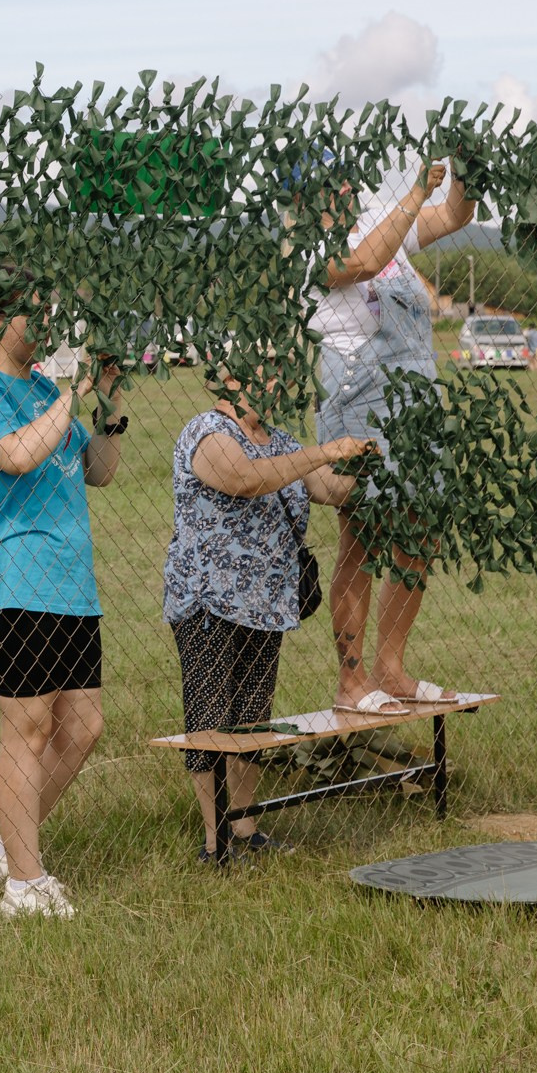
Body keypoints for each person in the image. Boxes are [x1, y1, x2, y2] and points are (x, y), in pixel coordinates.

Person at [0, 291, 122, 920]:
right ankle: (24, 885)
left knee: (82, 727)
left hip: (71, 583)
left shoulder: (51, 395)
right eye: (35, 313)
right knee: (29, 726)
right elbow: (17, 456)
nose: (49, 324)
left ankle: (7, 845)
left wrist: (109, 399)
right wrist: (69, 396)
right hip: (16, 578)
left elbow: (98, 469)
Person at [163, 365, 368, 862]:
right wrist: (323, 451)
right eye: (264, 377)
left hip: (266, 606)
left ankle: (246, 827)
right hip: (209, 600)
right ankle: (216, 841)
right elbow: (245, 478)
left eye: (278, 377)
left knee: (253, 718)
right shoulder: (207, 433)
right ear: (228, 381)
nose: (276, 386)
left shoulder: (280, 440)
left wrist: (366, 462)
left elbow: (332, 489)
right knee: (212, 716)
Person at [306, 158, 477, 715]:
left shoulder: (382, 216)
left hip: (413, 397)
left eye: (348, 178)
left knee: (420, 529)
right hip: (357, 395)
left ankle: (391, 668)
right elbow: (366, 261)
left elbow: (452, 215)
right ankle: (352, 682)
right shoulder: (308, 247)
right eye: (334, 182)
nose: (348, 188)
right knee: (361, 535)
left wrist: (468, 176)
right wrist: (412, 193)